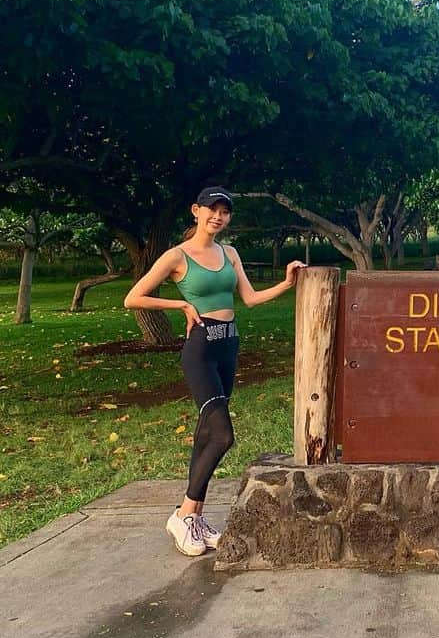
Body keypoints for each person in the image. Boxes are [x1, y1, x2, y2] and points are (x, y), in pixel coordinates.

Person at [124, 187, 305, 556]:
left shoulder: (229, 253)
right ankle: (184, 514)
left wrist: (287, 283)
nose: (218, 217)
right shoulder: (177, 256)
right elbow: (134, 297)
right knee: (222, 435)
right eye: (212, 209)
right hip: (201, 349)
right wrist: (181, 304)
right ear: (196, 210)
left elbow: (250, 299)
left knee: (206, 434)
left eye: (225, 212)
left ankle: (196, 518)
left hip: (228, 345)